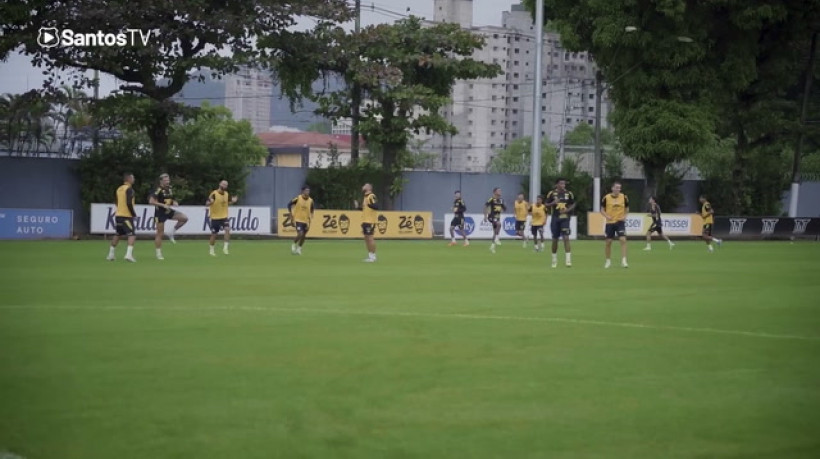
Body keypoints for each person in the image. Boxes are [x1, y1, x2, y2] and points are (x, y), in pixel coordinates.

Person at [148, 173, 189, 260]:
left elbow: (169, 199)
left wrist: (174, 202)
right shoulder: (158, 189)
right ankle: (158, 253)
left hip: (168, 211)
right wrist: (162, 205)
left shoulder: (169, 189)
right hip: (160, 213)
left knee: (184, 218)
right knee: (160, 233)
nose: (167, 182)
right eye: (166, 180)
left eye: (168, 180)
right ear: (161, 181)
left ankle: (171, 232)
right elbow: (151, 201)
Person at [106, 172, 137, 262]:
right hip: (126, 216)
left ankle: (110, 254)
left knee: (118, 234)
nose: (134, 179)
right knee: (132, 234)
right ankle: (128, 255)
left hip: (118, 215)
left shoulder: (119, 189)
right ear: (129, 179)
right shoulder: (129, 189)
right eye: (133, 178)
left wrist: (120, 208)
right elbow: (128, 202)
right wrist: (133, 213)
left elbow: (116, 201)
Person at [546, 178, 575, 268]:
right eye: (561, 184)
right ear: (557, 185)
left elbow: (573, 204)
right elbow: (546, 204)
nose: (563, 185)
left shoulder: (569, 193)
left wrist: (567, 210)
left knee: (566, 237)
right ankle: (554, 260)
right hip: (555, 218)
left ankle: (568, 260)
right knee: (555, 239)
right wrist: (552, 203)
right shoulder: (551, 193)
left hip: (565, 218)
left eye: (564, 184)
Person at [205, 180, 238, 256]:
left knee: (227, 229)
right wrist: (210, 202)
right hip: (215, 217)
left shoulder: (226, 194)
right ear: (220, 184)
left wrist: (233, 201)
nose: (224, 186)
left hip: (224, 216)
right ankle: (211, 250)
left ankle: (225, 247)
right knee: (214, 234)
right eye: (223, 184)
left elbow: (228, 202)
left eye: (226, 185)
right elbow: (207, 203)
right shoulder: (214, 194)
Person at [601, 182, 629, 268]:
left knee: (623, 239)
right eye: (616, 188)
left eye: (619, 188)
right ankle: (608, 261)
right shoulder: (606, 198)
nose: (618, 189)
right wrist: (607, 216)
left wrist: (624, 216)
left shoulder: (624, 197)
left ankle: (624, 261)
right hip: (610, 223)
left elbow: (627, 208)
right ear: (612, 188)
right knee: (608, 242)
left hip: (620, 222)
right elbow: (602, 209)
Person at [353, 183, 378, 262]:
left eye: (365, 185)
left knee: (370, 238)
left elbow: (376, 206)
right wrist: (358, 207)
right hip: (365, 220)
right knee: (366, 238)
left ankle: (373, 256)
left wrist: (369, 205)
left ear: (369, 187)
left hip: (370, 221)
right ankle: (370, 255)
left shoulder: (371, 196)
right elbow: (365, 209)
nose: (363, 186)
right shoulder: (365, 197)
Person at [287, 186, 314, 255]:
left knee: (304, 236)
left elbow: (312, 209)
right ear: (302, 191)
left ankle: (299, 248)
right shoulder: (298, 198)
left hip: (306, 221)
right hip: (298, 219)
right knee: (300, 233)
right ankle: (293, 244)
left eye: (308, 191)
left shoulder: (311, 200)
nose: (307, 192)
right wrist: (291, 214)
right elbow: (289, 204)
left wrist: (311, 217)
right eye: (306, 190)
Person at [484, 187, 506, 253]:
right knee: (499, 224)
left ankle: (492, 246)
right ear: (495, 192)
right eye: (498, 191)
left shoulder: (501, 200)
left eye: (500, 190)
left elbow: (504, 208)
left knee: (495, 232)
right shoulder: (491, 199)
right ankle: (497, 238)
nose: (500, 191)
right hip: (491, 216)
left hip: (497, 217)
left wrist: (502, 208)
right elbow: (485, 206)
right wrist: (485, 216)